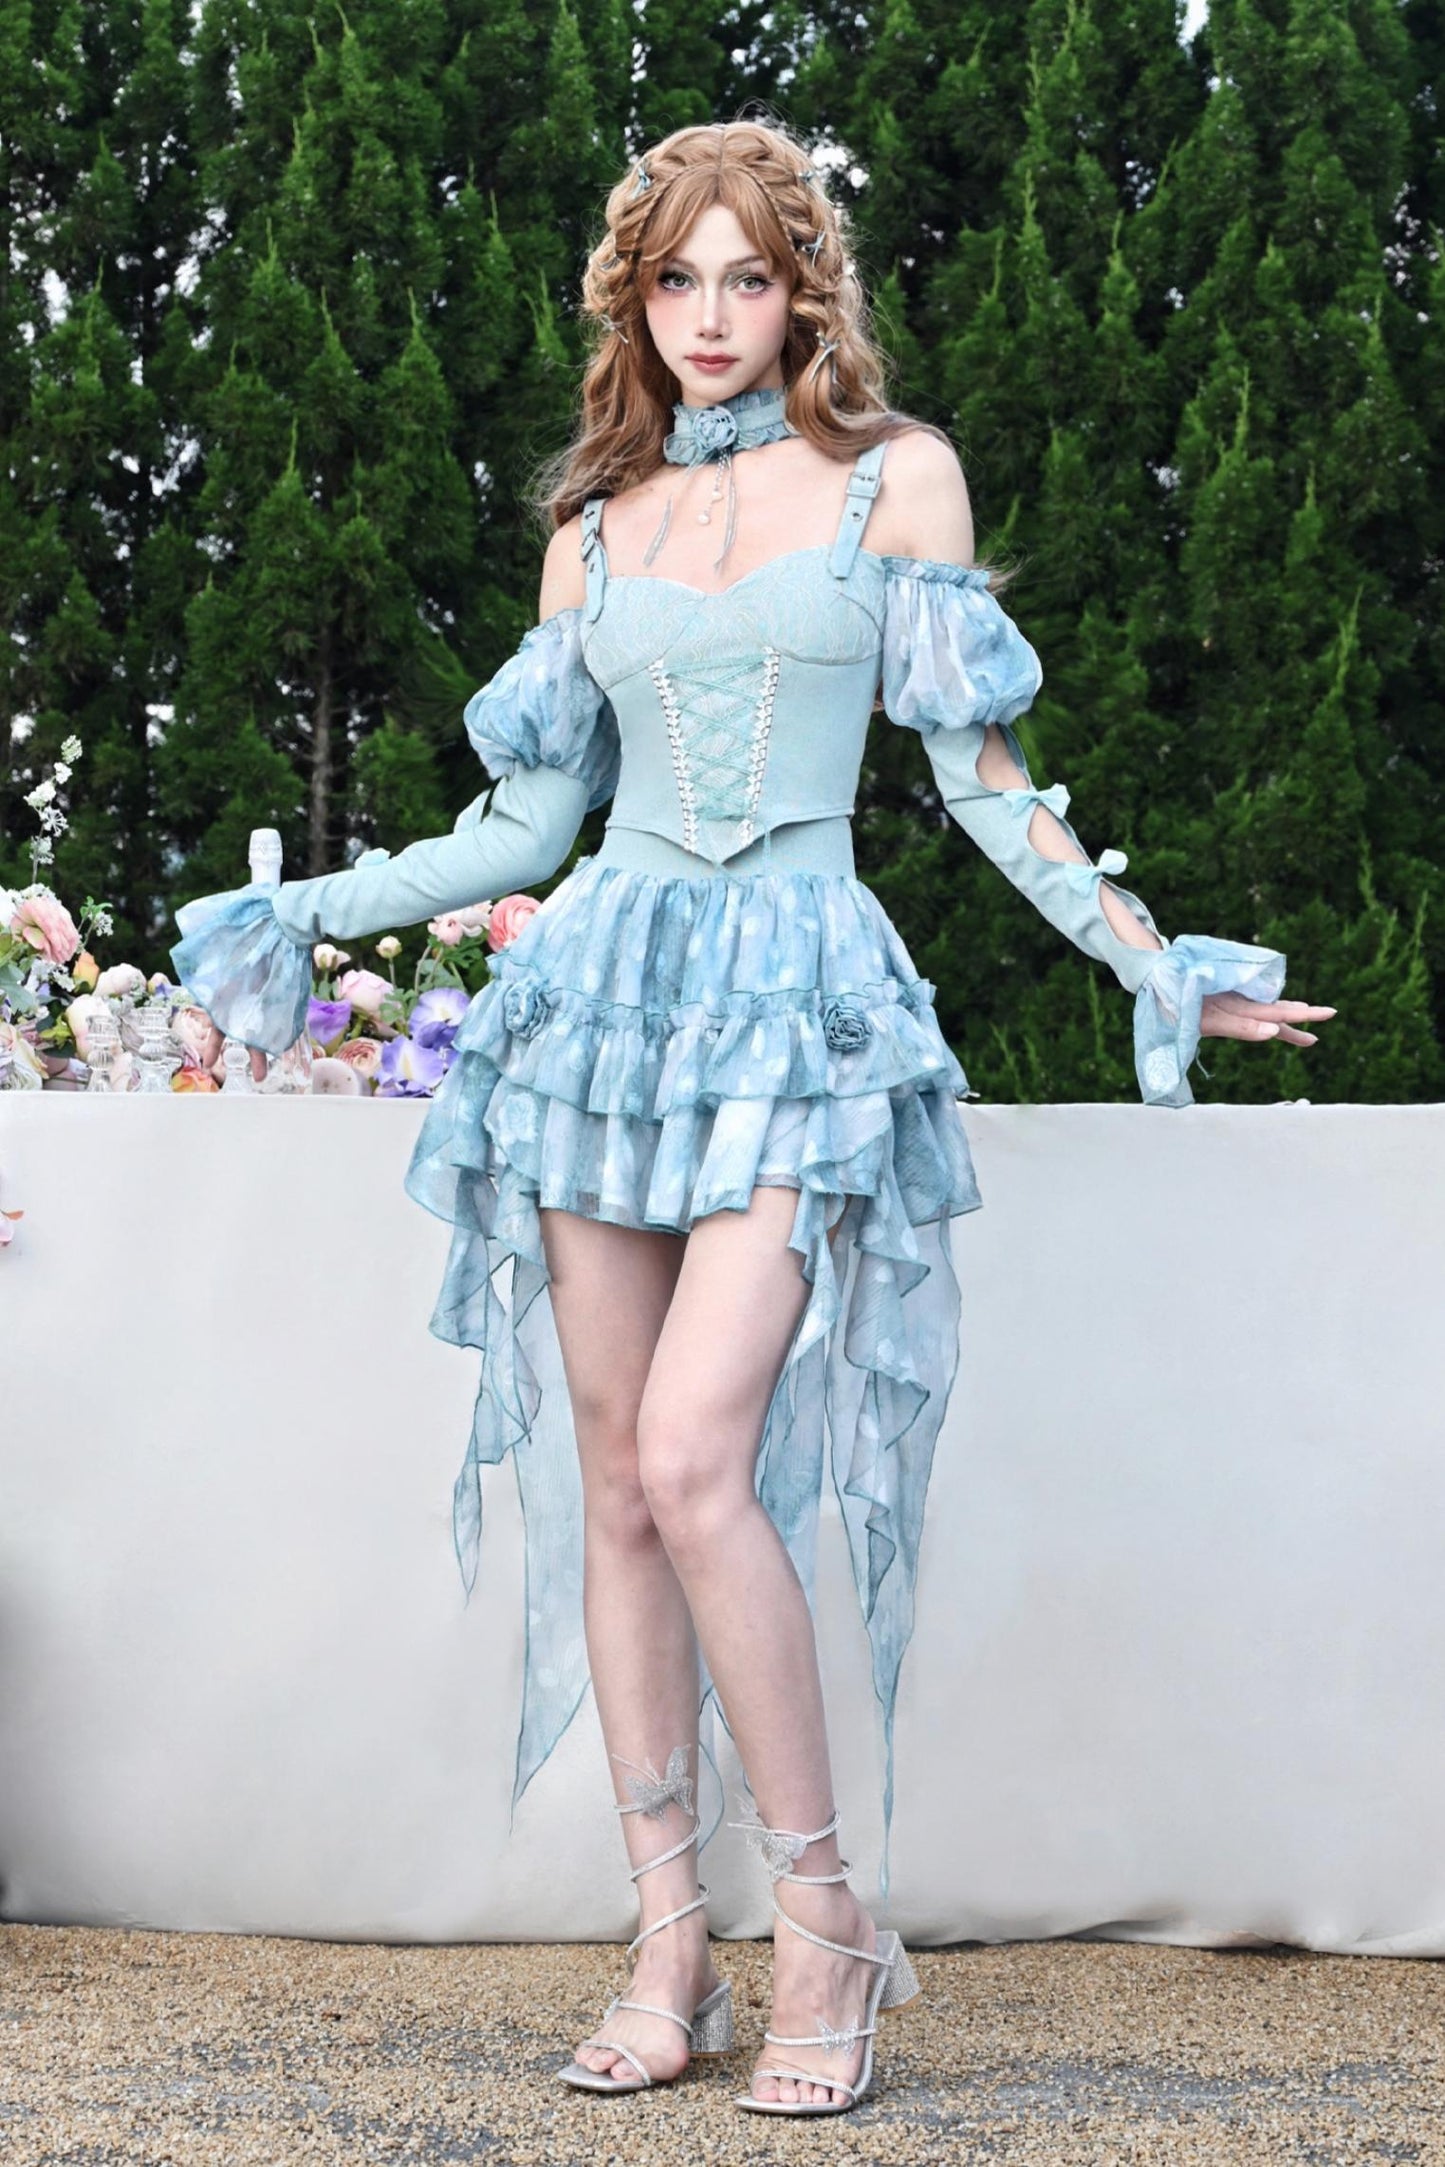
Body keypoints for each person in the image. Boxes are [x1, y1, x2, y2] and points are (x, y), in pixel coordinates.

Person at [170, 118, 1335, 2117]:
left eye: (748, 276)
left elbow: (984, 782)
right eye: (675, 279)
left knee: (700, 1453)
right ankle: (665, 1940)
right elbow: (529, 824)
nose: (710, 315)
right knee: (617, 1478)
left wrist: (1149, 958)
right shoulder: (593, 523)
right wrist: (301, 912)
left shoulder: (898, 482)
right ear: (634, 299)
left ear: (805, 292)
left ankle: (823, 1916)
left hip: (796, 996)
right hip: (602, 1003)